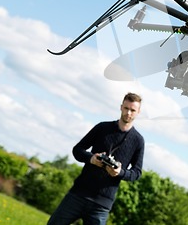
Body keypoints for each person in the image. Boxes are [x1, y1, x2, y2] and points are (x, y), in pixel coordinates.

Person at [47, 92, 145, 225]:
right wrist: (91, 158)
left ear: (138, 112)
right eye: (126, 108)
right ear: (121, 107)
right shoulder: (102, 127)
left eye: (132, 110)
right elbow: (77, 150)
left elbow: (136, 173)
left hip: (102, 206)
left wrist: (120, 172)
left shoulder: (138, 141)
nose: (128, 113)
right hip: (78, 194)